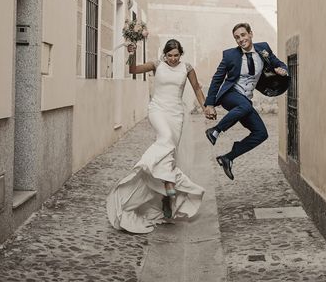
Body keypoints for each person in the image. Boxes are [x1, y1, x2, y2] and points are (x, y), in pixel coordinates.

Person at [106, 39, 206, 234]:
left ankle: (167, 197)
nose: (173, 59)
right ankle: (164, 181)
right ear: (164, 54)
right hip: (158, 110)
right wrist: (132, 53)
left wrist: (206, 107)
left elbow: (197, 89)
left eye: (176, 55)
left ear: (181, 54)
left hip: (176, 114)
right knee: (165, 138)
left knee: (168, 154)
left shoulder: (187, 68)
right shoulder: (156, 65)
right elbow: (133, 70)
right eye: (170, 55)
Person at [204, 23, 288, 180]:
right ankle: (215, 130)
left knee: (261, 133)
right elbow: (217, 79)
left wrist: (282, 69)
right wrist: (209, 104)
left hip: (245, 100)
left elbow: (278, 63)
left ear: (251, 34)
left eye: (243, 35)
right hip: (230, 95)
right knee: (244, 106)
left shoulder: (263, 49)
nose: (241, 39)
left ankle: (228, 157)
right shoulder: (229, 55)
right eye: (237, 37)